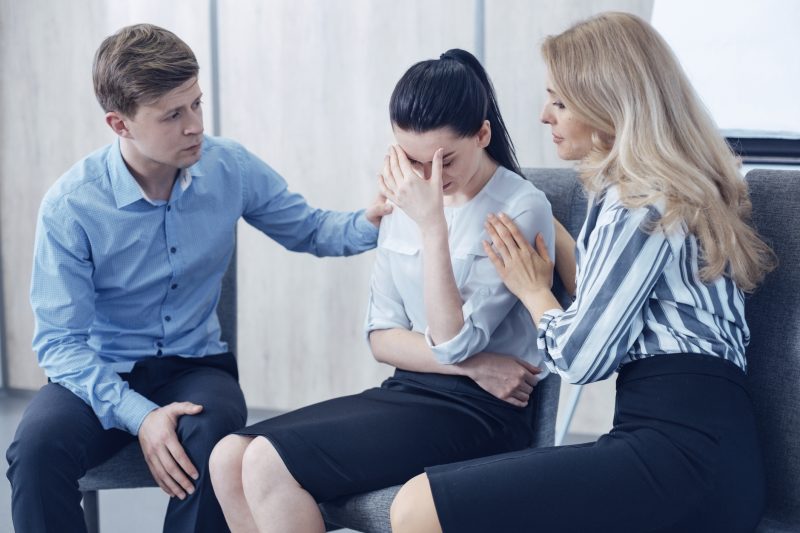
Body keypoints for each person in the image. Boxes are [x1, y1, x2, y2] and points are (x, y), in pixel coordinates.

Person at [389, 12, 776, 533]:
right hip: (698, 450)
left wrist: (531, 291)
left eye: (560, 101)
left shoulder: (641, 200)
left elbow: (582, 357)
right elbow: (610, 293)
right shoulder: (655, 192)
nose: (544, 115)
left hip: (683, 457)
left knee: (419, 506)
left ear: (609, 109)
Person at [5, 23, 390, 533]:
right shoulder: (72, 206)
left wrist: (382, 216)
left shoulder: (229, 167)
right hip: (98, 371)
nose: (195, 126)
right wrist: (141, 416)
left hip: (195, 365)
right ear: (119, 124)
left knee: (215, 439)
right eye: (172, 115)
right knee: (33, 452)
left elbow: (313, 230)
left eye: (196, 104)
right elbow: (60, 344)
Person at [209, 48, 555, 532]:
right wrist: (477, 365)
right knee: (228, 456)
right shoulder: (402, 200)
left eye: (444, 161)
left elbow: (453, 339)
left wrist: (432, 225)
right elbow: (381, 337)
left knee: (267, 461)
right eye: (410, 159)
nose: (425, 178)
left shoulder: (520, 207)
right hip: (411, 388)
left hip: (481, 413)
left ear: (483, 134)